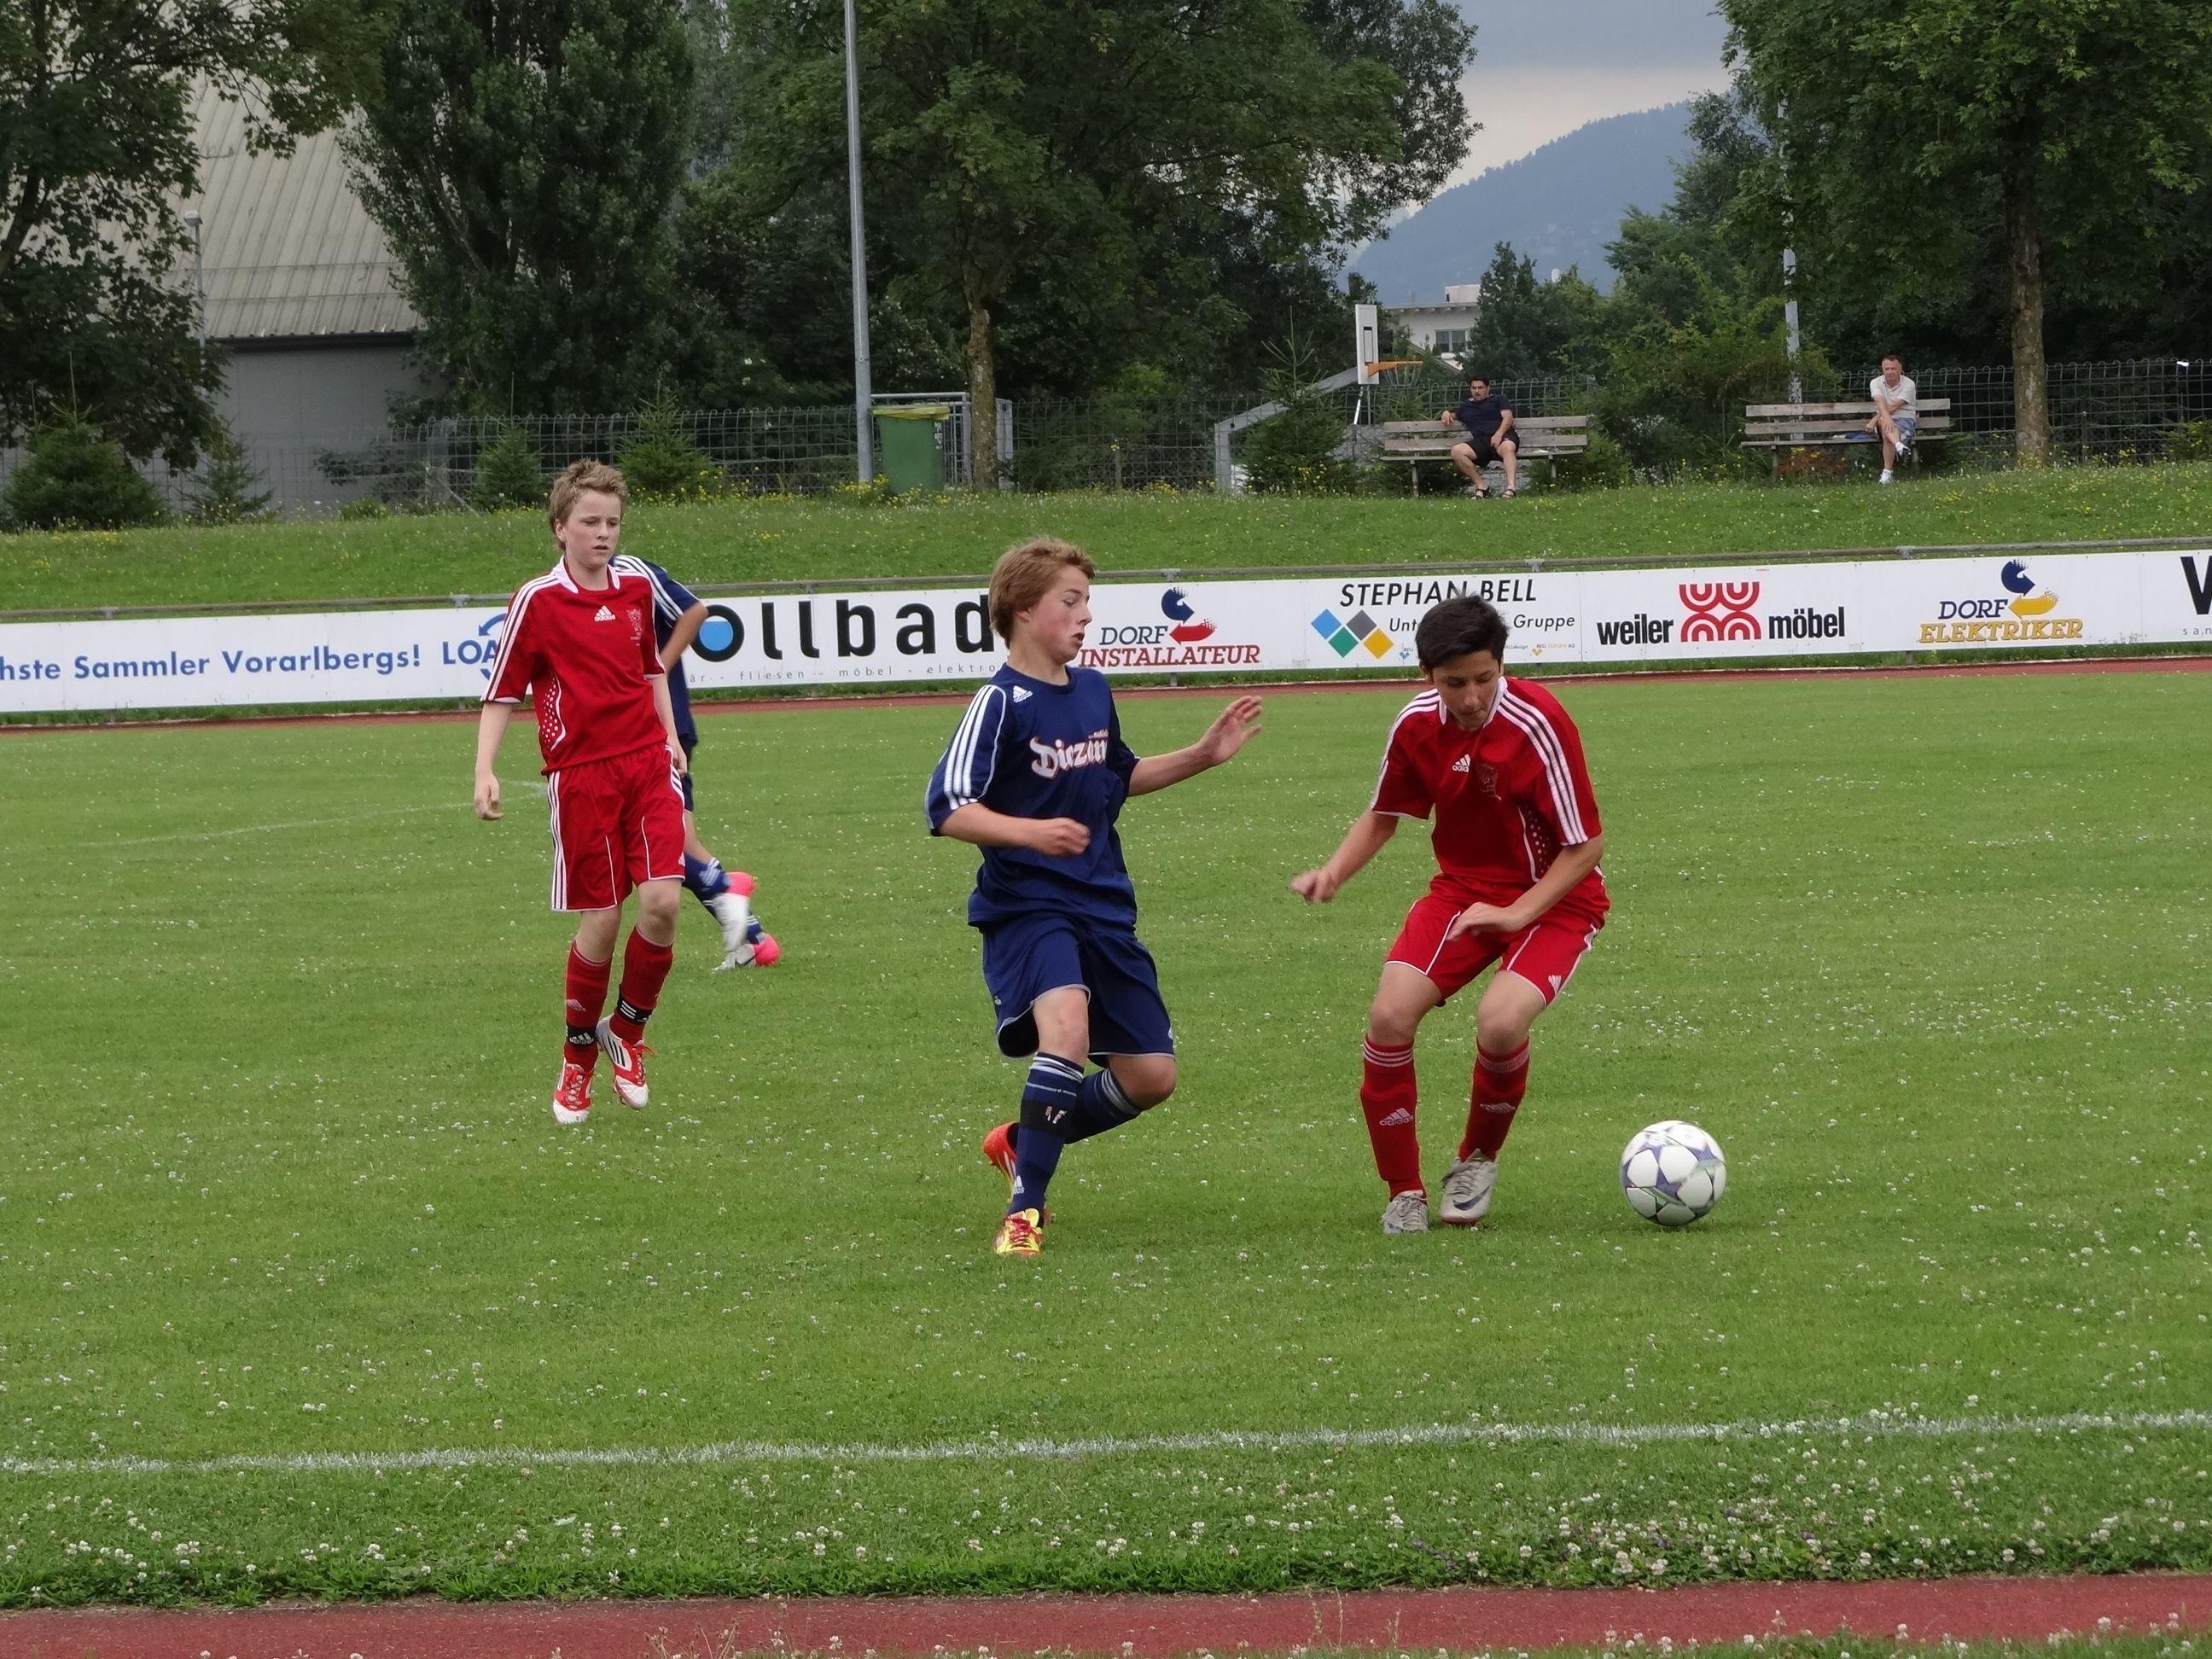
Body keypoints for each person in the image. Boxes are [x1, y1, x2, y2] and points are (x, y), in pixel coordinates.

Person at [924, 537, 1263, 1258]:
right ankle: (1026, 1215)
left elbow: (1121, 777)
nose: (1086, 617)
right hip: (1029, 907)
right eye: (1069, 602)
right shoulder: (998, 702)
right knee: (1068, 1031)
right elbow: (947, 806)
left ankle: (1023, 1141)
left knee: (1150, 1077)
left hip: (1104, 905)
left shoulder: (1093, 688)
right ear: (1021, 611)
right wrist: (1029, 833)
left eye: (1088, 602)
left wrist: (1202, 756)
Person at [1289, 596, 1607, 1233]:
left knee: (1499, 1022)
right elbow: (1384, 814)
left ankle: (1476, 1160)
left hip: (1554, 896)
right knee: (1389, 1014)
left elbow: (1586, 846)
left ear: (1501, 665)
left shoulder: (1539, 720)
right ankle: (1403, 1192)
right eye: (1453, 682)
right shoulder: (1414, 725)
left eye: (1483, 679)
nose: (1470, 697)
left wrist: (1518, 913)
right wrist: (1333, 872)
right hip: (1461, 893)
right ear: (1425, 674)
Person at [474, 460, 689, 1126]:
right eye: (590, 523)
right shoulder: (537, 601)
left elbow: (652, 666)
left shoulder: (633, 587)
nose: (604, 534)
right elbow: (503, 691)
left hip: (648, 765)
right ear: (560, 528)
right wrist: (484, 770)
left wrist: (670, 733)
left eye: (613, 523)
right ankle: (576, 1059)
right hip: (581, 778)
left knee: (662, 903)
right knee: (601, 920)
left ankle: (625, 1030)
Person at [609, 552, 782, 971]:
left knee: (660, 847)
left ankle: (726, 888)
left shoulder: (630, 570)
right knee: (679, 843)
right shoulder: (569, 589)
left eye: (608, 521)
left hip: (660, 728)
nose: (601, 531)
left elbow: (695, 610)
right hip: (621, 733)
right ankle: (752, 939)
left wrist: (655, 672)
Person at [1441, 374, 1520, 498]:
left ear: (1488, 388)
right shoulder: (1466, 406)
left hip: (1503, 435)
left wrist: (1498, 434)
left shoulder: (1498, 400)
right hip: (1481, 442)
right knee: (1457, 451)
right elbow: (1454, 415)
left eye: (1480, 388)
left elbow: (1508, 417)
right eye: (1474, 388)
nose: (1477, 391)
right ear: (1470, 389)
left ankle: (1511, 488)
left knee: (1507, 447)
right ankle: (1482, 486)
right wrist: (1446, 413)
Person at [1866, 353, 1918, 484]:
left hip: (1905, 419)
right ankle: (1899, 446)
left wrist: (1876, 419)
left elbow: (1895, 405)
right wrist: (1886, 417)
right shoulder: (1876, 383)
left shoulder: (1909, 384)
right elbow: (1879, 401)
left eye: (1893, 368)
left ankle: (1887, 473)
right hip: (1885, 419)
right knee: (1886, 425)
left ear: (1901, 369)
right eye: (1887, 369)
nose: (1890, 372)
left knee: (1886, 434)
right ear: (1882, 370)